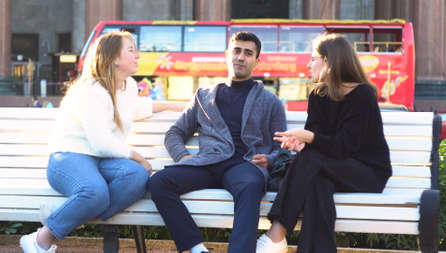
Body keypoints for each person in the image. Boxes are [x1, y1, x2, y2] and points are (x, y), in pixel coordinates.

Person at [19, 31, 185, 253]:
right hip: (69, 157)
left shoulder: (128, 86)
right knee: (95, 192)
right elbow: (101, 142)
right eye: (131, 50)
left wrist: (180, 106)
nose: (137, 55)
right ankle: (40, 239)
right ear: (114, 57)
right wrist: (139, 157)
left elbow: (139, 108)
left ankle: (69, 215)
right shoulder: (90, 90)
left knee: (137, 176)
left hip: (102, 161)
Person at [148, 32, 287, 253]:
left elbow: (282, 145)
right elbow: (174, 133)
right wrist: (183, 157)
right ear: (227, 55)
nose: (241, 57)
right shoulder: (203, 97)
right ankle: (196, 248)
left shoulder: (271, 102)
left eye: (248, 53)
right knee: (158, 182)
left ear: (257, 61)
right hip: (207, 164)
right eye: (236, 51)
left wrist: (269, 160)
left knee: (251, 186)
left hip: (245, 165)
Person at [256, 33, 392, 253]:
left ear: (328, 61)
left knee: (312, 164)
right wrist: (301, 145)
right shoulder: (318, 95)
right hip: (327, 168)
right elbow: (318, 144)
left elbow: (344, 146)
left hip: (367, 172)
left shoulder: (363, 95)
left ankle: (277, 234)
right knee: (318, 184)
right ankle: (281, 239)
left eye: (312, 59)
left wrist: (308, 139)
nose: (308, 64)